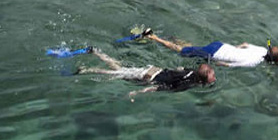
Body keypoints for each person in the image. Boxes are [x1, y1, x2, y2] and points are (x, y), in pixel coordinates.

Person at [75, 47, 216, 101]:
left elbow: (178, 68)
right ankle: (88, 68)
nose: (215, 77)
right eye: (212, 76)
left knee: (120, 69)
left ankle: (97, 53)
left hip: (153, 70)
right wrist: (139, 92)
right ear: (204, 78)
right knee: (117, 73)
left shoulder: (190, 72)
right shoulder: (188, 83)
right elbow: (161, 88)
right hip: (148, 77)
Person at [142, 28, 278, 67]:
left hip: (221, 45)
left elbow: (244, 44)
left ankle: (173, 38)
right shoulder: (254, 62)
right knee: (180, 51)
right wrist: (216, 64)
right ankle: (152, 37)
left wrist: (233, 49)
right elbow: (228, 65)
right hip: (215, 53)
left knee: (193, 48)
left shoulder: (262, 49)